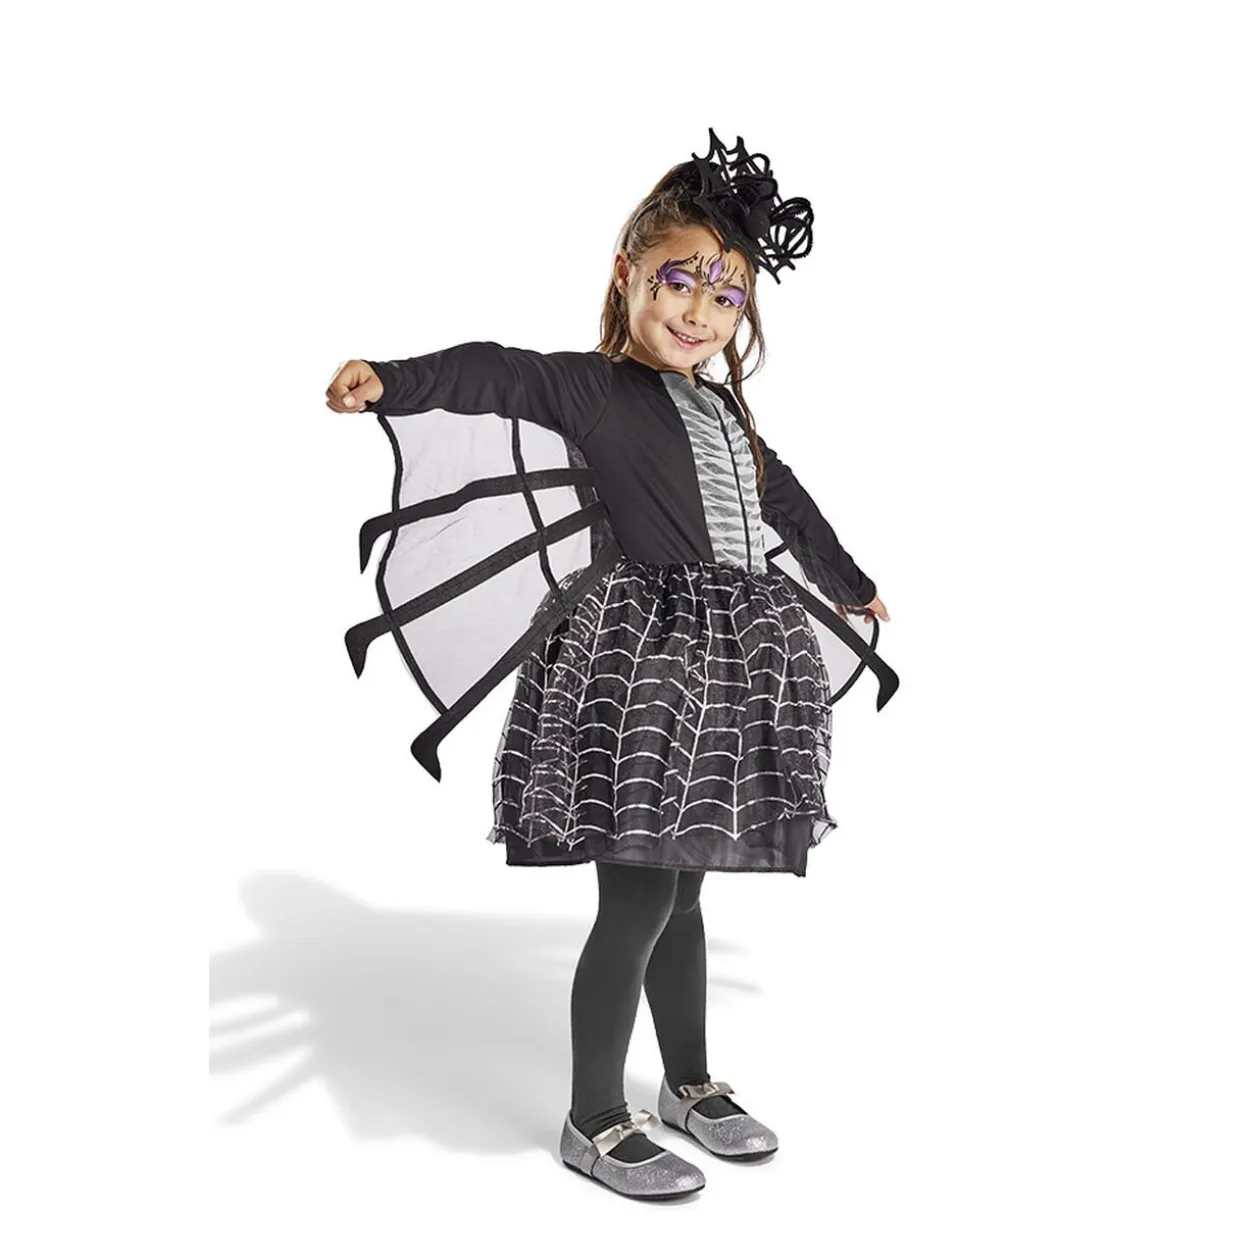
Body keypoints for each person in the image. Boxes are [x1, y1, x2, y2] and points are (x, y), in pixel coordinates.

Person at [326, 130, 894, 1201]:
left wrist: (849, 578)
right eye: (681, 281)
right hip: (640, 672)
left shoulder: (724, 408)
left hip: (724, 671)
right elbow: (496, 371)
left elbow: (781, 498)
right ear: (629, 273)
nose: (701, 311)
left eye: (728, 296)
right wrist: (393, 381)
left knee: (686, 894)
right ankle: (592, 1118)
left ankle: (688, 1085)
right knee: (636, 901)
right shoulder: (592, 388)